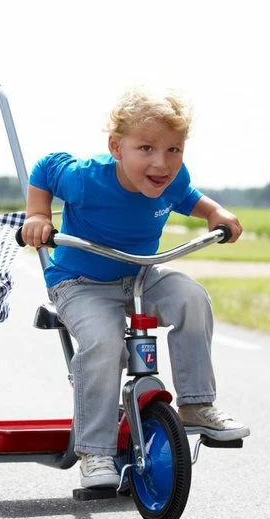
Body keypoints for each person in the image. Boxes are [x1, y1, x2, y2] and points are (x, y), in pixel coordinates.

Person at [21, 86, 250, 489]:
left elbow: (188, 196)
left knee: (191, 298)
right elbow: (44, 168)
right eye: (146, 148)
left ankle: (196, 405)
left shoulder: (172, 179)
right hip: (81, 282)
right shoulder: (87, 179)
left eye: (174, 150)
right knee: (105, 343)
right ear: (116, 147)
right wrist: (38, 214)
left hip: (142, 276)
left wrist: (214, 212)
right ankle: (95, 451)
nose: (162, 163)